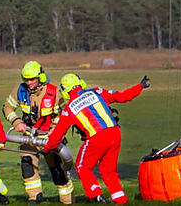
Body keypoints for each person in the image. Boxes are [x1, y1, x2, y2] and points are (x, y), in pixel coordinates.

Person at [44, 74, 150, 204]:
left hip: (97, 137)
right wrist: (140, 86)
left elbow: (57, 135)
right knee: (108, 170)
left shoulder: (69, 108)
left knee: (82, 166)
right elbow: (122, 96)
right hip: (115, 133)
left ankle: (95, 195)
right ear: (80, 83)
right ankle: (120, 199)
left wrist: (47, 148)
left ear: (65, 90)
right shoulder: (97, 91)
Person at [2, 61, 75, 205]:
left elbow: (64, 115)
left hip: (51, 138)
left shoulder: (54, 92)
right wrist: (17, 122)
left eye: (32, 79)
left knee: (58, 172)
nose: (28, 83)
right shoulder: (19, 90)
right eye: (26, 79)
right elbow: (7, 108)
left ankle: (67, 200)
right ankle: (34, 197)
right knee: (27, 167)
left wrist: (56, 129)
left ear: (40, 77)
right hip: (29, 138)